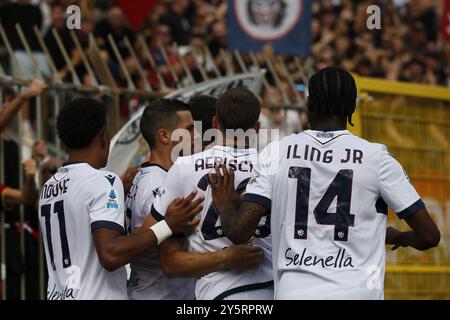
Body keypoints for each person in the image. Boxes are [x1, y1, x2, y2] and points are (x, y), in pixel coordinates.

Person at [209, 67, 441, 300]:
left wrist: (226, 205)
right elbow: (430, 236)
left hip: (295, 293)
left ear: (309, 104)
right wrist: (399, 237)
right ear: (352, 107)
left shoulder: (276, 152)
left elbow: (239, 232)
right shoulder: (377, 158)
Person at [38, 98, 203, 300]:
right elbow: (111, 254)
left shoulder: (49, 187)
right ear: (104, 137)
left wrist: (119, 193)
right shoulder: (103, 180)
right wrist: (167, 225)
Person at [127, 99, 262, 300]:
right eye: (190, 129)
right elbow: (136, 246)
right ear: (164, 136)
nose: (198, 136)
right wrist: (168, 225)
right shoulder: (158, 182)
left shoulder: (150, 175)